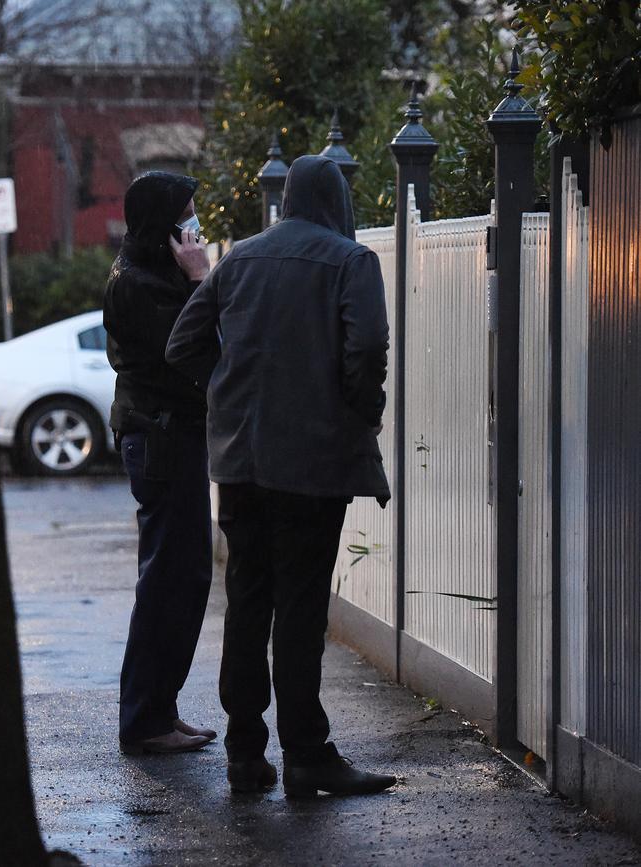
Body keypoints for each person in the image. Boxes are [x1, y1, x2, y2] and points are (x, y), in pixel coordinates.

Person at [165, 155, 396, 796]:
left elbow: (183, 345)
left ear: (286, 199)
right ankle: (306, 754)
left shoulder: (238, 259)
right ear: (339, 200)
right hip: (312, 464)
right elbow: (367, 348)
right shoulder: (351, 262)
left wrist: (231, 386)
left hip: (241, 463)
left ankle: (245, 755)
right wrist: (361, 412)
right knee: (299, 608)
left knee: (247, 603)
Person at [104, 171, 219, 755]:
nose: (196, 225)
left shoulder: (150, 273)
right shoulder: (142, 285)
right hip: (161, 440)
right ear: (162, 223)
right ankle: (146, 721)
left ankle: (158, 712)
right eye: (188, 213)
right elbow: (196, 348)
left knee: (183, 575)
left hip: (168, 437)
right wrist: (202, 279)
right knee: (168, 579)